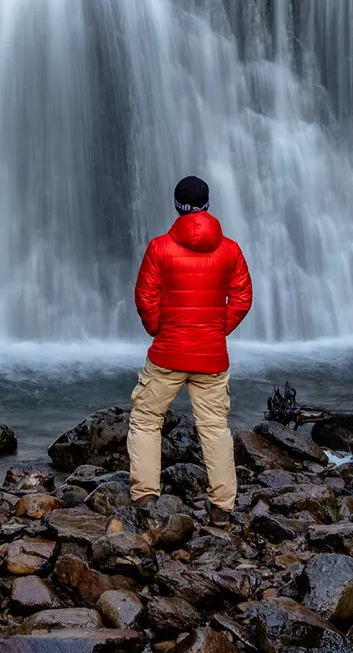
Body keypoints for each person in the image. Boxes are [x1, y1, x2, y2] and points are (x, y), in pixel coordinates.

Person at [127, 175, 253, 527]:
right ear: (208, 205)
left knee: (147, 420)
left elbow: (145, 297)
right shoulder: (230, 250)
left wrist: (159, 329)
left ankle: (146, 498)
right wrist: (216, 330)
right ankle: (222, 508)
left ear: (177, 207)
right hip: (211, 356)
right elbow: (243, 297)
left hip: (167, 354)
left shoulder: (159, 248)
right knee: (214, 428)